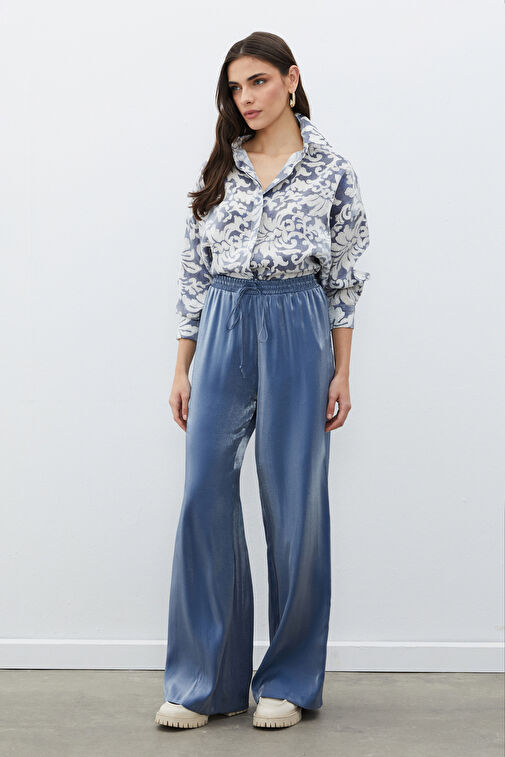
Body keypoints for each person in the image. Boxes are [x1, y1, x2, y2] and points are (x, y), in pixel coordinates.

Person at [155, 30, 371, 731]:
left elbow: (344, 277)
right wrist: (183, 365)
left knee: (294, 502)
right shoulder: (224, 165)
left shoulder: (332, 169)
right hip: (222, 319)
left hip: (298, 323)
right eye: (235, 87)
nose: (245, 98)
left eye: (258, 81)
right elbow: (193, 270)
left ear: (290, 79)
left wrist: (341, 370)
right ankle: (205, 682)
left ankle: (288, 678)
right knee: (204, 495)